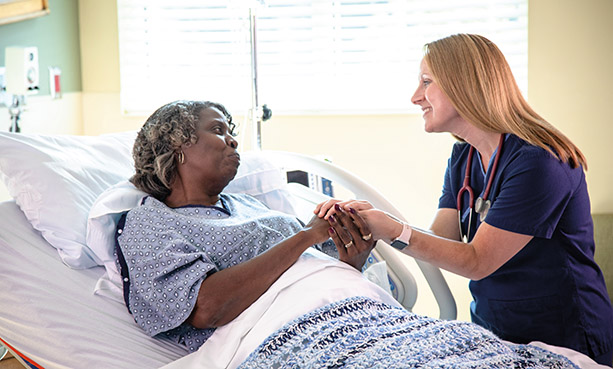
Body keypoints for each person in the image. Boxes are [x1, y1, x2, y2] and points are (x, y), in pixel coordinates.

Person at [315, 33, 613, 365]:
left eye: (426, 82)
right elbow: (441, 241)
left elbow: (476, 261)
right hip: (496, 331)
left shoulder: (540, 163)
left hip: (564, 336)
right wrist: (370, 222)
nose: (416, 97)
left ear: (465, 85)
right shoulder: (465, 158)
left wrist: (393, 229)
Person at [115, 100, 376, 352]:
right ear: (176, 145)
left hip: (354, 311)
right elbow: (206, 308)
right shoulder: (148, 221)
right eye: (218, 130)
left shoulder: (247, 205)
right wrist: (307, 236)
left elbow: (314, 268)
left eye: (231, 132)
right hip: (292, 337)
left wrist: (352, 255)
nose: (233, 140)